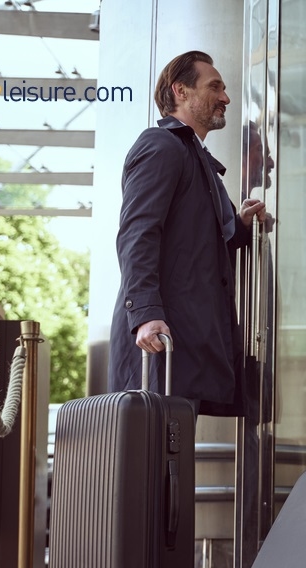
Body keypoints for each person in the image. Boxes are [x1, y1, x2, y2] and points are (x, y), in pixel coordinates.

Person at [108, 51, 269, 418]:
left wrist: (241, 226)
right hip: (158, 343)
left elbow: (200, 243)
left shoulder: (196, 159)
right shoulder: (161, 146)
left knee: (171, 466)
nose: (225, 98)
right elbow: (137, 233)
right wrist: (146, 314)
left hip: (181, 348)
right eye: (215, 87)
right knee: (151, 466)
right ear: (181, 91)